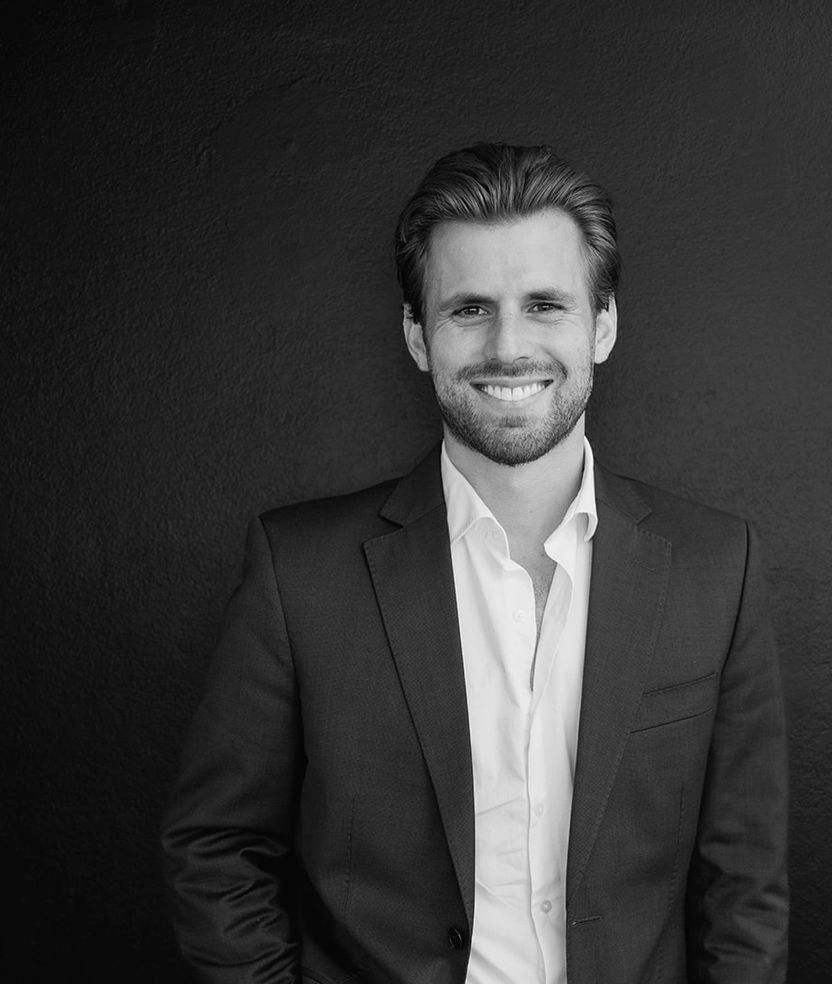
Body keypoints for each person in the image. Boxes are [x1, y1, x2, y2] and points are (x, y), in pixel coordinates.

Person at [161, 142, 788, 984]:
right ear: (418, 336)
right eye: (468, 310)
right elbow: (218, 847)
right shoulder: (298, 570)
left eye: (544, 304)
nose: (508, 346)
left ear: (603, 325)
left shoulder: (718, 565)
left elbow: (744, 878)